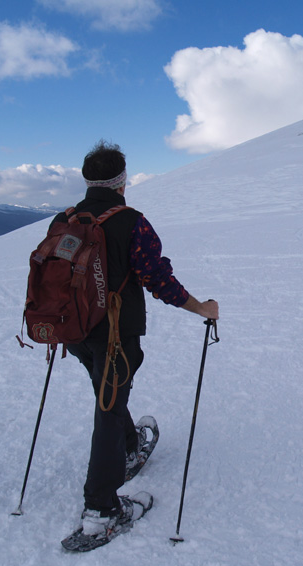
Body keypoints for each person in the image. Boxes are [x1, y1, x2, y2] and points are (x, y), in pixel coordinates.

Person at [52, 140, 219, 538]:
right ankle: (100, 511)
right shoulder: (132, 222)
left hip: (74, 330)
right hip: (115, 334)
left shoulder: (64, 219)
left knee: (107, 393)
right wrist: (201, 308)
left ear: (88, 181)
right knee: (108, 408)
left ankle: (128, 446)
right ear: (122, 182)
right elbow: (157, 278)